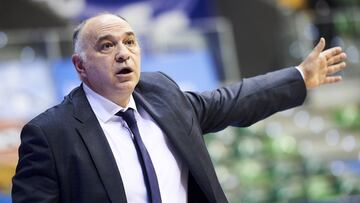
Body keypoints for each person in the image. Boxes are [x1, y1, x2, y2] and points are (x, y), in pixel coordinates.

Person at [12, 13, 347, 203]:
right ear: (80, 66)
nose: (123, 53)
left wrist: (299, 77)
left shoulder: (162, 94)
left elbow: (231, 101)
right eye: (106, 46)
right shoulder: (50, 134)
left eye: (130, 41)